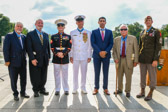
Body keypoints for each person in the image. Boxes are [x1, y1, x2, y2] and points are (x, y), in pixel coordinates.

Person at [136, 16, 162, 101]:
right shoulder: (142, 32)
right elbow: (140, 46)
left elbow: (158, 46)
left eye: (149, 20)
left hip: (151, 59)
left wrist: (156, 59)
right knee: (142, 76)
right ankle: (142, 91)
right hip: (142, 58)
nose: (148, 22)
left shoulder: (156, 32)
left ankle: (151, 92)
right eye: (146, 21)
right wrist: (138, 58)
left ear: (152, 22)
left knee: (152, 76)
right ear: (145, 22)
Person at [3, 22, 30, 101]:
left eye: (21, 27)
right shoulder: (9, 36)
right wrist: (7, 60)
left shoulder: (24, 37)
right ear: (15, 27)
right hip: (12, 62)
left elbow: (27, 49)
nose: (19, 28)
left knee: (23, 79)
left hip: (22, 62)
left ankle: (23, 92)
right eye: (18, 26)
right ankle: (15, 93)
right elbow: (5, 49)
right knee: (13, 79)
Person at [26, 19, 51, 97]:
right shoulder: (30, 34)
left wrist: (49, 57)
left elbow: (48, 47)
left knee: (43, 75)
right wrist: (32, 58)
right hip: (35, 59)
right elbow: (29, 48)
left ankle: (42, 89)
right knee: (35, 75)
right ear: (35, 24)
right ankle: (36, 90)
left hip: (44, 59)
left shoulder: (46, 35)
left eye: (42, 23)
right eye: (39, 23)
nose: (40, 24)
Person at [112, 24, 139, 97]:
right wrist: (115, 58)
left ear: (127, 30)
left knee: (128, 76)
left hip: (129, 60)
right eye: (121, 29)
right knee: (119, 76)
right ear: (120, 31)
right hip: (119, 60)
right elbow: (113, 51)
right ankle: (119, 89)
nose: (123, 31)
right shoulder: (116, 39)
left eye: (125, 29)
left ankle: (128, 91)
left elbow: (136, 50)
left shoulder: (133, 38)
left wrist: (136, 60)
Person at [91, 17, 113, 95]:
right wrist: (99, 52)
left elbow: (111, 43)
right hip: (97, 55)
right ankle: (96, 88)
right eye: (101, 21)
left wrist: (106, 51)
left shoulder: (110, 32)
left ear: (105, 22)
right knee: (97, 72)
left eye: (104, 21)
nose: (102, 22)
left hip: (106, 55)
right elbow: (93, 43)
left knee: (106, 72)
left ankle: (105, 88)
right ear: (98, 22)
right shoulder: (94, 32)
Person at [70, 15, 92, 94]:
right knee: (75, 72)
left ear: (83, 22)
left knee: (84, 72)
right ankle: (75, 87)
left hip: (84, 55)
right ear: (76, 22)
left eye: (81, 21)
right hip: (75, 56)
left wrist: (89, 56)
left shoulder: (88, 32)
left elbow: (89, 45)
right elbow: (71, 45)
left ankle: (83, 87)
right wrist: (71, 56)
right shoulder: (72, 33)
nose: (80, 22)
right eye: (78, 21)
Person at [51, 19, 71, 95]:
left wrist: (63, 54)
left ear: (64, 27)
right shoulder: (53, 36)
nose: (60, 27)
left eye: (62, 25)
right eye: (59, 26)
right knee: (56, 75)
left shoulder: (68, 36)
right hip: (56, 58)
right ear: (57, 27)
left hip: (65, 58)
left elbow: (69, 47)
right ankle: (57, 89)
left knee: (65, 75)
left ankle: (66, 89)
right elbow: (52, 47)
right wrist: (57, 53)